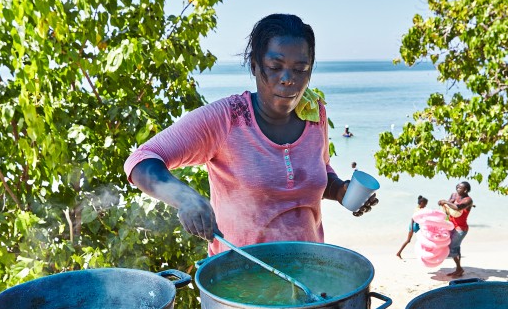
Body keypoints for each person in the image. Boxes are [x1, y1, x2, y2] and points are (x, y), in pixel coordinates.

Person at [123, 14, 378, 255]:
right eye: (275, 66)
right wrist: (185, 198)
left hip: (308, 274)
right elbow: (142, 159)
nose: (288, 79)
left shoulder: (314, 114)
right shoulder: (227, 118)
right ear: (255, 66)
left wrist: (340, 190)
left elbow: (320, 171)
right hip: (239, 282)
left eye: (300, 69)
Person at [438, 181, 473, 277]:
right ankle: (458, 269)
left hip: (461, 229)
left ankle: (459, 268)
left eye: (460, 187)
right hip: (451, 225)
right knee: (456, 248)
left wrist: (445, 201)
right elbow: (449, 204)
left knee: (452, 247)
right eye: (457, 186)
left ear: (465, 190)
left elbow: (457, 207)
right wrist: (442, 203)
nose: (457, 188)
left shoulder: (468, 200)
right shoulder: (454, 195)